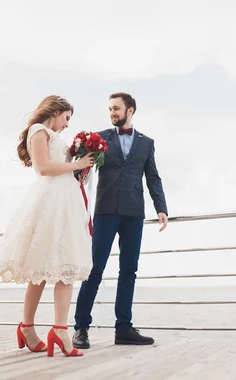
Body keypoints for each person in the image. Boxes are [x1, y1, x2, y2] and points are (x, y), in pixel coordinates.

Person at [0, 95, 95, 357]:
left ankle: (58, 328)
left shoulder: (54, 135)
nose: (67, 125)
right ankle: (29, 327)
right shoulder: (38, 131)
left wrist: (82, 164)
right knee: (39, 268)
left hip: (66, 201)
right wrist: (77, 163)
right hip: (50, 202)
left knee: (65, 264)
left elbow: (62, 168)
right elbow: (43, 167)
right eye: (67, 118)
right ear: (56, 111)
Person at [72, 92, 168, 348]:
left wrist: (161, 207)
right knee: (94, 270)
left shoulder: (147, 143)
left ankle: (123, 328)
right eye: (110, 109)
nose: (112, 113)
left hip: (134, 213)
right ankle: (81, 328)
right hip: (105, 211)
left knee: (129, 271)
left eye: (116, 108)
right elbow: (81, 170)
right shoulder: (99, 138)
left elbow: (153, 177)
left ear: (130, 110)